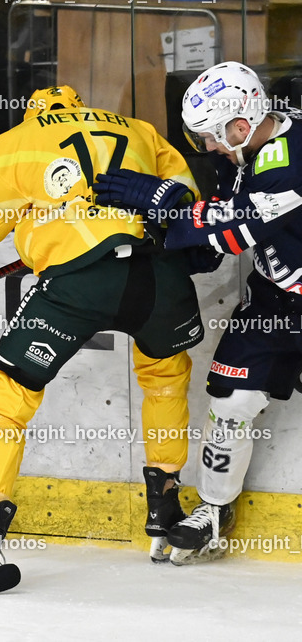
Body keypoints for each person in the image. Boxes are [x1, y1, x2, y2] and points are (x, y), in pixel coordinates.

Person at [0, 85, 205, 573]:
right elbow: (186, 198)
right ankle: (166, 502)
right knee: (166, 376)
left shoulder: (20, 141)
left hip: (79, 283)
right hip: (159, 276)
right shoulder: (137, 128)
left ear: (35, 111)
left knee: (11, 394)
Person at [93, 61, 302, 565]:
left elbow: (238, 225)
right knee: (230, 402)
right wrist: (179, 242)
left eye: (212, 136)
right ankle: (214, 510)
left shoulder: (292, 163)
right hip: (274, 299)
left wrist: (162, 204)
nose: (208, 147)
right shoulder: (250, 149)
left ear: (241, 122)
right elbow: (225, 221)